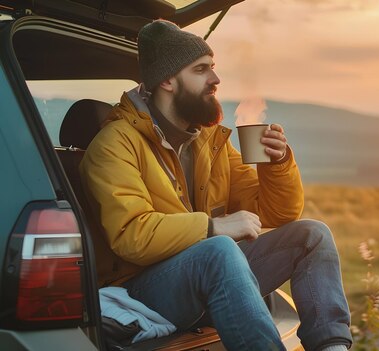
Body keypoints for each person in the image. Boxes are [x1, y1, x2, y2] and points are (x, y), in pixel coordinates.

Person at [79, 19, 352, 351]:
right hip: (143, 289)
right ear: (167, 79)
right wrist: (213, 227)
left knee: (312, 234)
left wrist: (277, 165)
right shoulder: (114, 145)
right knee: (219, 249)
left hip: (210, 275)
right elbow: (131, 236)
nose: (215, 79)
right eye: (201, 69)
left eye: (213, 67)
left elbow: (276, 213)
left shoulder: (209, 141)